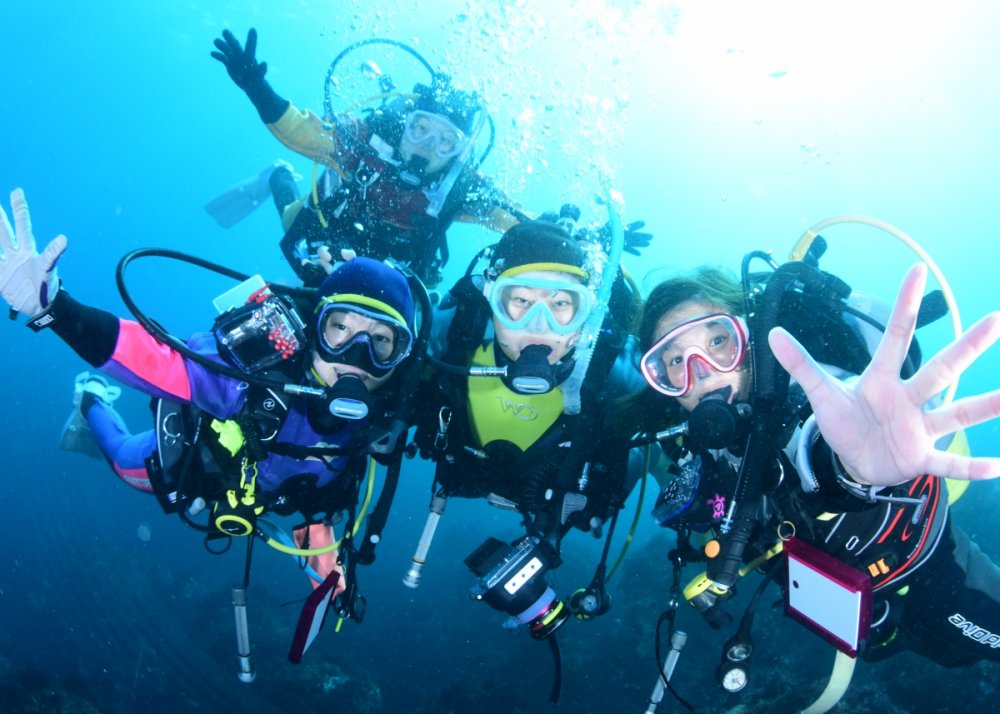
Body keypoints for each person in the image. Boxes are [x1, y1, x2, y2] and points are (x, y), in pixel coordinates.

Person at [0, 187, 421, 650]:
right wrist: (53, 308)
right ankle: (90, 400)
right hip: (204, 463)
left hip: (266, 497)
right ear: (313, 327)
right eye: (340, 329)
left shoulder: (379, 422)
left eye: (381, 342)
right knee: (124, 462)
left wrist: (327, 568)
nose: (355, 358)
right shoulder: (254, 374)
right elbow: (156, 359)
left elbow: (317, 504)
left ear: (398, 359)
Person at [628, 259, 1000, 704]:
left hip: (927, 569)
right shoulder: (694, 446)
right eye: (673, 361)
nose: (701, 369)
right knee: (936, 652)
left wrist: (854, 465)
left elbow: (818, 452)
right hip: (865, 612)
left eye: (717, 341)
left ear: (747, 339)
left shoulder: (810, 398)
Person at [209, 29, 653, 288]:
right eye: (420, 129)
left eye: (445, 142)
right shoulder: (366, 141)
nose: (426, 146)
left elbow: (521, 223)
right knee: (289, 217)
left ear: (459, 153)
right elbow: (305, 134)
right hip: (322, 234)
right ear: (404, 123)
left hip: (390, 276)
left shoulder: (460, 189)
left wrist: (591, 237)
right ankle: (277, 177)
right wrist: (257, 89)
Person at [411, 219, 645, 640]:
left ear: (585, 313)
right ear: (489, 300)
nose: (539, 327)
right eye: (518, 300)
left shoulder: (614, 370)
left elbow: (674, 428)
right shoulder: (452, 341)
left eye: (561, 305)